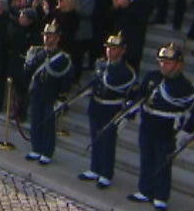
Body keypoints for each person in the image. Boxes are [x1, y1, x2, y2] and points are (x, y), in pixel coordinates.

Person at [127, 43, 194, 211]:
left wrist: (186, 132)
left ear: (179, 64)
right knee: (147, 159)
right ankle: (145, 190)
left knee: (163, 163)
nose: (163, 65)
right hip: (148, 124)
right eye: (161, 61)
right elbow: (140, 95)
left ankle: (161, 196)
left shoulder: (186, 87)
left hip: (167, 129)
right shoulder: (153, 77)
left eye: (168, 62)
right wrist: (132, 105)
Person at [79, 32, 138, 189]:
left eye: (114, 48)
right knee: (95, 139)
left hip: (112, 109)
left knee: (108, 143)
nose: (110, 51)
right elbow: (96, 84)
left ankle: (106, 173)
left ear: (123, 50)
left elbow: (132, 96)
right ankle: (95, 168)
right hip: (97, 106)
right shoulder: (101, 64)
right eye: (108, 48)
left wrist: (127, 116)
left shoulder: (127, 72)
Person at [24, 20, 73, 165]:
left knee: (48, 124)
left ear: (57, 38)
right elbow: (29, 73)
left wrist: (61, 97)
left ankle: (47, 151)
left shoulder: (63, 58)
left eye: (50, 35)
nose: (47, 38)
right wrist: (28, 63)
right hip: (37, 92)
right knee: (35, 121)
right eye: (46, 35)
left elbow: (66, 78)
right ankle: (36, 148)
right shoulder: (38, 52)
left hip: (51, 95)